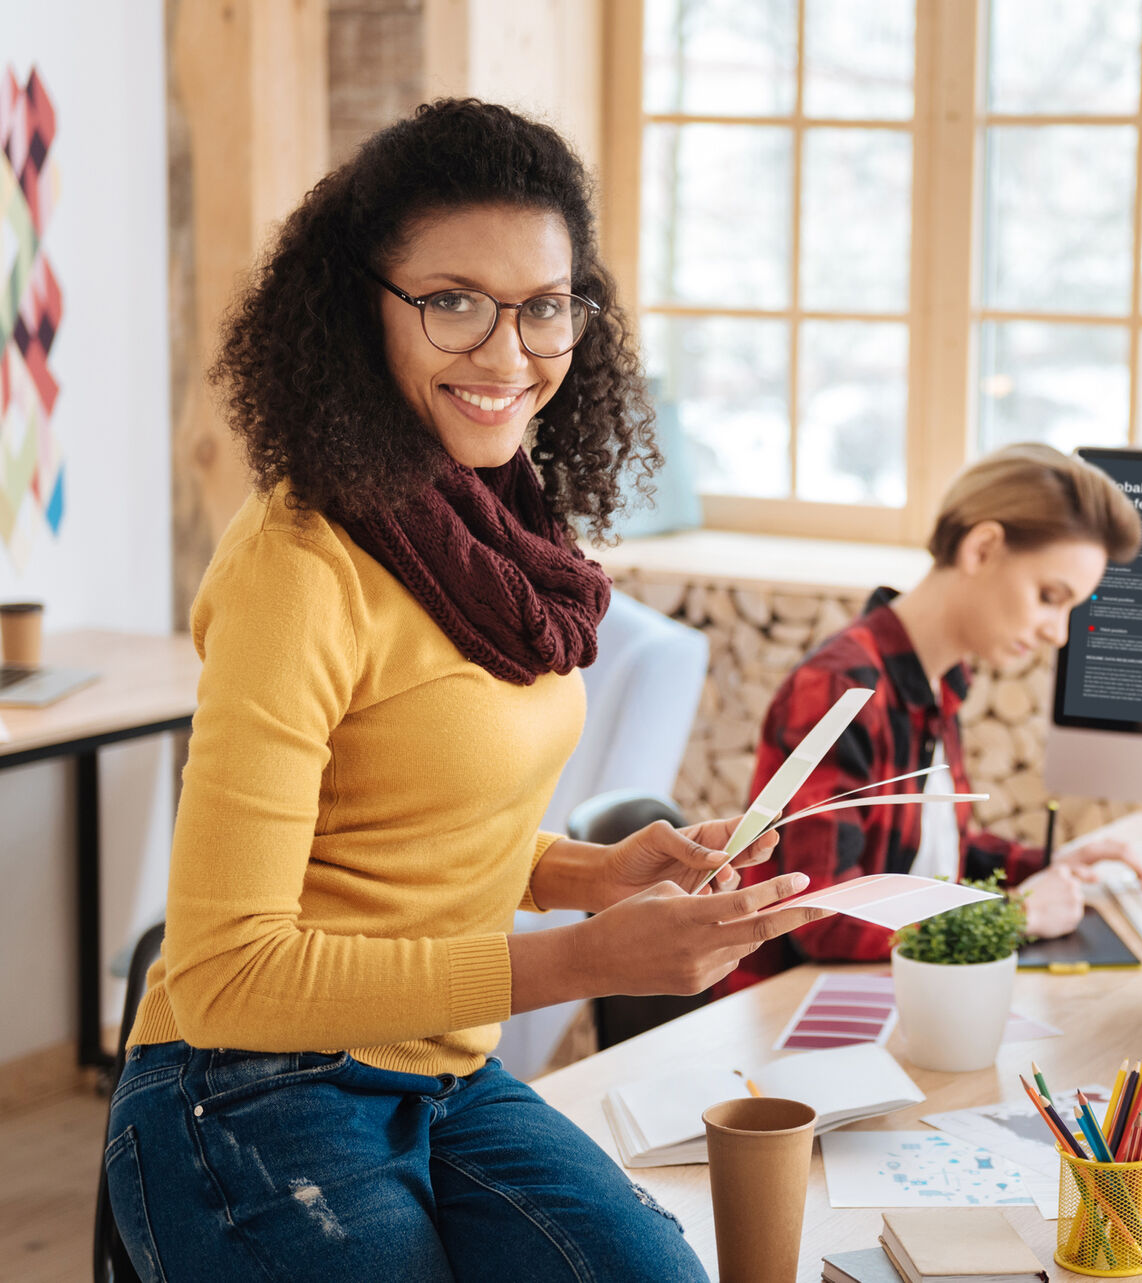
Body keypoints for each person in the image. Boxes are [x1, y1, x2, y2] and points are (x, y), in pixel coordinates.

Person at [103, 100, 831, 1283]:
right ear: (361, 307)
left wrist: (595, 871)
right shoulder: (300, 564)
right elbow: (233, 964)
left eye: (543, 306)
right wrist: (593, 958)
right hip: (247, 1082)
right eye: (453, 302)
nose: (508, 355)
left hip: (438, 1070)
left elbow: (398, 816)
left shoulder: (490, 527)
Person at [718, 444, 1142, 996]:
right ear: (982, 549)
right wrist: (1012, 914)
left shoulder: (938, 682)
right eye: (1050, 597)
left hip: (888, 993)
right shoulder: (841, 690)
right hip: (792, 1011)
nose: (1058, 632)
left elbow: (937, 852)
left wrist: (1049, 862)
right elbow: (822, 914)